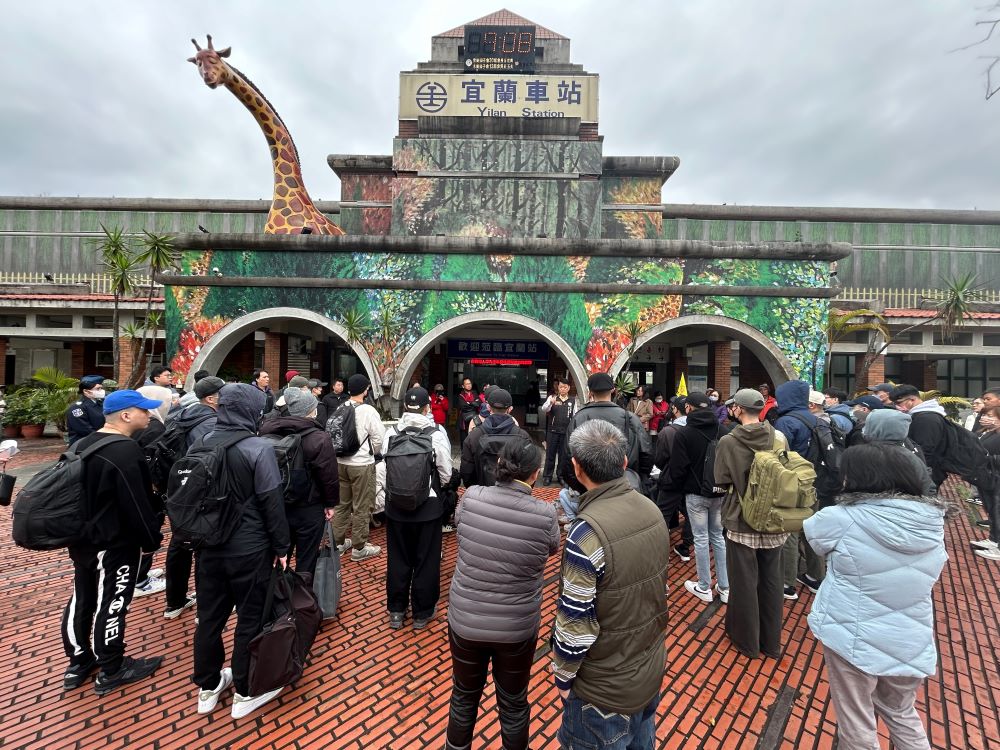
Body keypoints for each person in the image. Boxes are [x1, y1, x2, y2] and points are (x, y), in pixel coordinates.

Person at [803, 443, 949, 750]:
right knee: (901, 712)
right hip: (910, 635)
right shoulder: (931, 521)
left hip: (852, 633)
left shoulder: (841, 518)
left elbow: (814, 537)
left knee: (856, 720)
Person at [551, 420, 669, 749]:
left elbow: (575, 622)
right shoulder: (652, 510)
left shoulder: (585, 533)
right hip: (647, 670)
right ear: (624, 463)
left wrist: (563, 676)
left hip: (601, 693)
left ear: (577, 466)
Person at [446, 440, 558, 750]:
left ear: (499, 464)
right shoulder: (545, 514)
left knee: (463, 696)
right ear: (535, 475)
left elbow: (459, 524)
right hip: (516, 627)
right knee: (513, 703)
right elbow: (552, 547)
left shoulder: (471, 498)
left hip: (465, 620)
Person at [191, 383, 291, 719]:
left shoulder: (200, 442)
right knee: (250, 618)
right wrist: (281, 546)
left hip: (206, 547)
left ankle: (207, 686)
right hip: (249, 549)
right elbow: (271, 502)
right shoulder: (257, 448)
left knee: (210, 619)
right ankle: (246, 691)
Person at [61, 389, 165, 695]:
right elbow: (138, 503)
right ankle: (112, 666)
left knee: (82, 596)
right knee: (114, 599)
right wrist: (151, 540)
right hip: (114, 542)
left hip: (82, 539)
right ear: (126, 415)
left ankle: (79, 660)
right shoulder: (125, 450)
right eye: (144, 410)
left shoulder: (83, 444)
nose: (149, 415)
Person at [713, 388, 788, 660]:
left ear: (740, 409)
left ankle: (747, 641)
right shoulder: (779, 437)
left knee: (743, 581)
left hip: (742, 519)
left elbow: (721, 479)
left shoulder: (729, 441)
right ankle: (771, 642)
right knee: (771, 581)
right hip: (774, 518)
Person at [383, 387, 452, 630]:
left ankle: (397, 611)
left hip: (396, 506)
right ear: (427, 408)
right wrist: (435, 488)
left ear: (405, 407)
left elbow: (384, 469)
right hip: (428, 507)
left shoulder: (392, 431)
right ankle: (422, 612)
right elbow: (445, 472)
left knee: (398, 558)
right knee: (427, 559)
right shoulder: (437, 433)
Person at [158, 375, 225, 620]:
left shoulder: (181, 414)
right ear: (211, 398)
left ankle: (175, 601)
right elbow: (210, 459)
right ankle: (206, 606)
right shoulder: (209, 423)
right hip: (198, 491)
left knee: (179, 543)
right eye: (222, 393)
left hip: (176, 489)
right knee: (204, 548)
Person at [259, 388, 340, 577]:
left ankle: (277, 595)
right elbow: (328, 475)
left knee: (278, 555)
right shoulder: (318, 437)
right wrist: (330, 503)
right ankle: (303, 598)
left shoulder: (267, 431)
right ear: (310, 410)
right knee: (307, 557)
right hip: (309, 506)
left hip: (277, 503)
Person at [668, 392, 730, 604]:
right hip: (719, 491)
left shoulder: (684, 433)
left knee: (701, 538)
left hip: (695, 493)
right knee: (718, 537)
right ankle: (725, 587)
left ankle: (704, 586)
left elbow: (677, 469)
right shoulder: (723, 430)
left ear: (688, 408)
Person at [561, 372, 653, 494]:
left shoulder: (579, 418)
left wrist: (581, 486)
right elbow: (646, 453)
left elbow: (568, 458)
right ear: (613, 390)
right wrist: (637, 477)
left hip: (588, 488)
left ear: (590, 392)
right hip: (624, 486)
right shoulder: (629, 418)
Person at [774, 380, 818, 602]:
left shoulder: (786, 422)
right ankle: (815, 575)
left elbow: (777, 457)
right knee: (811, 532)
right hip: (815, 483)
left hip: (793, 484)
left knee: (789, 533)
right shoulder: (816, 419)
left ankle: (786, 582)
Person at [333, 374, 385, 562]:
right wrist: (372, 452)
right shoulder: (368, 411)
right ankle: (359, 547)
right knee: (362, 506)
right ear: (365, 390)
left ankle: (337, 543)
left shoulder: (341, 407)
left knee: (341, 504)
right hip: (361, 464)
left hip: (340, 462)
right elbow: (379, 437)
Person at [131, 385, 174, 599]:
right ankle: (140, 579)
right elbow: (151, 463)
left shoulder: (144, 425)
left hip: (141, 489)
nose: (172, 404)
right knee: (148, 531)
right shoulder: (153, 428)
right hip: (149, 491)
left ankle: (141, 571)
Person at [460, 388, 531, 487]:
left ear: (488, 407)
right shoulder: (523, 437)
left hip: (482, 496)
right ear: (510, 409)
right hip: (514, 497)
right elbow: (529, 472)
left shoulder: (474, 436)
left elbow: (466, 473)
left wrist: (476, 491)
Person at [654, 395, 694, 561]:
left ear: (675, 409)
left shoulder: (668, 431)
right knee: (691, 514)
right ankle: (685, 546)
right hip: (691, 480)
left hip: (671, 480)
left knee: (662, 514)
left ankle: (658, 549)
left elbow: (660, 459)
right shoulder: (696, 429)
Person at [889, 384, 952, 488]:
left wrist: (915, 473)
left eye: (899, 403)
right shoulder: (919, 415)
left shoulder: (926, 418)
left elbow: (925, 449)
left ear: (912, 400)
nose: (897, 406)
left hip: (925, 473)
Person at [971, 401, 1000, 561]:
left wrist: (990, 459)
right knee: (993, 510)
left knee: (998, 510)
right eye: (985, 415)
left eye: (990, 416)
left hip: (996, 475)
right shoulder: (990, 432)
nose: (986, 418)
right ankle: (994, 539)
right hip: (988, 477)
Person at [540, 377, 575, 486]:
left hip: (565, 432)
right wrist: (550, 403)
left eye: (565, 387)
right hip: (553, 431)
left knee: (563, 456)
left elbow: (574, 416)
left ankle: (561, 476)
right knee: (550, 454)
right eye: (561, 387)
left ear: (568, 388)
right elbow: (544, 409)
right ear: (558, 388)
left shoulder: (572, 400)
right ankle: (547, 476)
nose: (563, 389)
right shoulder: (552, 397)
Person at [66, 375, 106, 446]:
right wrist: (104, 438)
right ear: (86, 391)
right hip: (83, 446)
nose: (101, 391)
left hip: (99, 442)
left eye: (101, 388)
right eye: (98, 389)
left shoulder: (100, 403)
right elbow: (85, 430)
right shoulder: (77, 408)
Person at [456, 378, 479, 447]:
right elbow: (463, 406)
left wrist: (469, 403)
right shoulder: (461, 395)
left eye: (470, 383)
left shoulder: (475, 393)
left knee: (474, 438)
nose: (469, 385)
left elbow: (479, 403)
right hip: (464, 420)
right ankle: (464, 454)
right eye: (467, 384)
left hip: (474, 419)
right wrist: (473, 403)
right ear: (463, 386)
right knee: (464, 439)